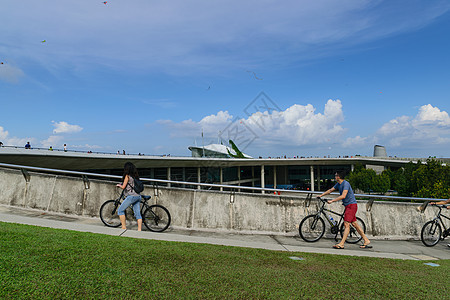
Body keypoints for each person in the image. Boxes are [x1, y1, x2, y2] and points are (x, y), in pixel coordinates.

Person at [318, 170, 371, 249]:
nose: (335, 176)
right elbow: (330, 190)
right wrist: (321, 195)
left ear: (338, 176)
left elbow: (343, 196)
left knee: (346, 224)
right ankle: (366, 240)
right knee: (355, 224)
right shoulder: (338, 184)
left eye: (336, 175)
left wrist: (332, 201)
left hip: (351, 206)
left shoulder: (346, 184)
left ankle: (341, 244)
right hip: (348, 206)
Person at [116, 162, 142, 231]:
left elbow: (123, 186)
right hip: (138, 196)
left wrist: (119, 185)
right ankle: (139, 230)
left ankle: (123, 227)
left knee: (120, 211)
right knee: (138, 214)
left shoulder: (127, 176)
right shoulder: (135, 176)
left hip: (131, 196)